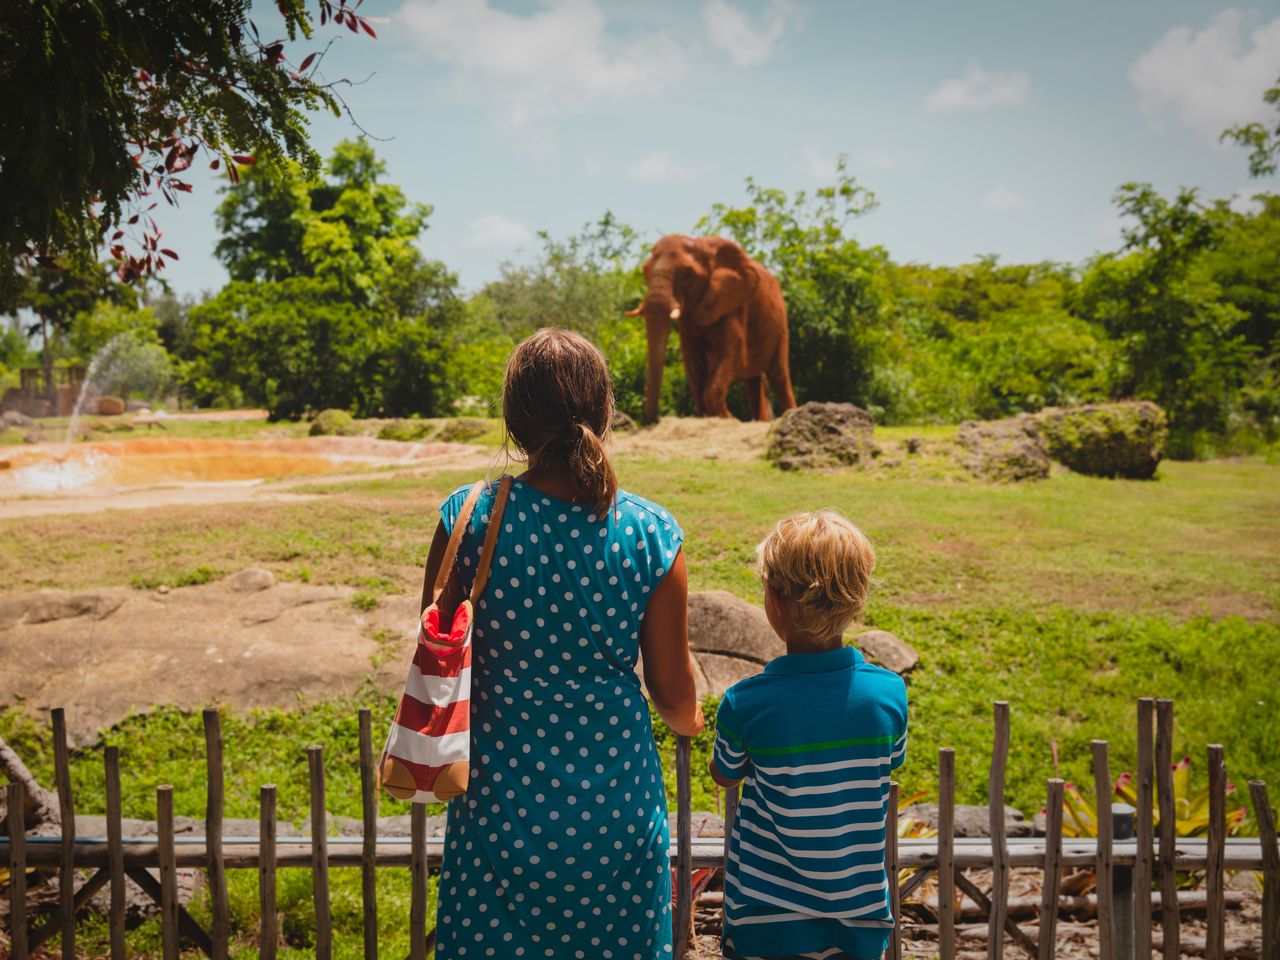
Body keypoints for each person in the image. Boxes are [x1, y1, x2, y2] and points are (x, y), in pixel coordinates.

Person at [425, 327, 704, 959]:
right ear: (607, 410)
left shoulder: (467, 517)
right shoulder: (651, 533)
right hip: (617, 803)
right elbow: (672, 692)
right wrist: (694, 720)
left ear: (514, 419)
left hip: (497, 805)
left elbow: (443, 659)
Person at [710, 511, 907, 960]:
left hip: (767, 915)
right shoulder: (888, 694)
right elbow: (890, 762)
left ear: (774, 602)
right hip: (860, 914)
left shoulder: (748, 702)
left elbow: (724, 775)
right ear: (856, 600)